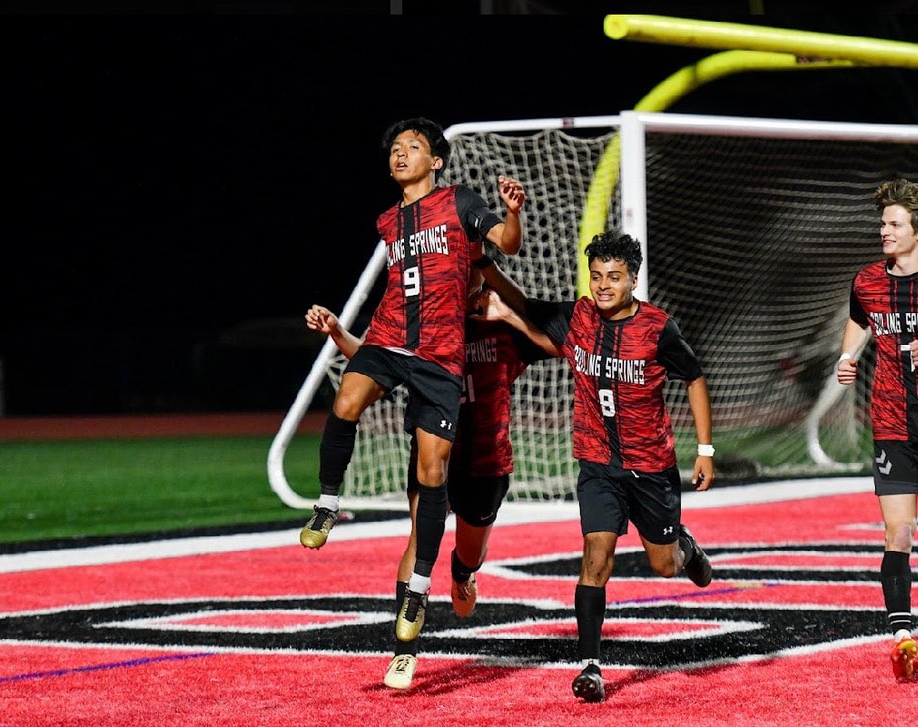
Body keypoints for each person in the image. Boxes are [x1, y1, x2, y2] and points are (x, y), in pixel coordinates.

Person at [299, 117, 526, 647]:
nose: (401, 155)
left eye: (414, 147)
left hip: (439, 356)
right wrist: (340, 330)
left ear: (437, 160)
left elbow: (506, 244)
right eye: (395, 148)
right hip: (388, 337)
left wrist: (512, 212)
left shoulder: (460, 202)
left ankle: (420, 588)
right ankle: (328, 503)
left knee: (431, 470)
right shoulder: (387, 221)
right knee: (346, 399)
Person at [476, 230, 715, 703]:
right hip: (597, 464)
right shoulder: (579, 315)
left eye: (614, 277)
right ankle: (590, 667)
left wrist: (705, 450)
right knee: (595, 558)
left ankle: (684, 545)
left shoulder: (657, 328)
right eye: (597, 275)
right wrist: (484, 266)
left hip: (650, 467)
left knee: (664, 566)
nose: (603, 284)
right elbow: (526, 305)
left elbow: (694, 376)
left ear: (633, 281)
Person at [305, 258, 553, 690]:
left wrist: (508, 310)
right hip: (432, 456)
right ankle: (404, 651)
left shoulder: (499, 326)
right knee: (418, 540)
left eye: (468, 270)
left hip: (486, 463)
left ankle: (462, 573)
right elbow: (375, 362)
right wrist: (338, 333)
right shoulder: (422, 328)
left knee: (470, 554)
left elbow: (555, 343)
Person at [836, 177, 918, 683]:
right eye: (882, 223)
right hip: (892, 424)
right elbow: (861, 317)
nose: (884, 231)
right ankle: (902, 636)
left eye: (894, 224)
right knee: (898, 532)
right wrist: (847, 356)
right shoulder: (868, 279)